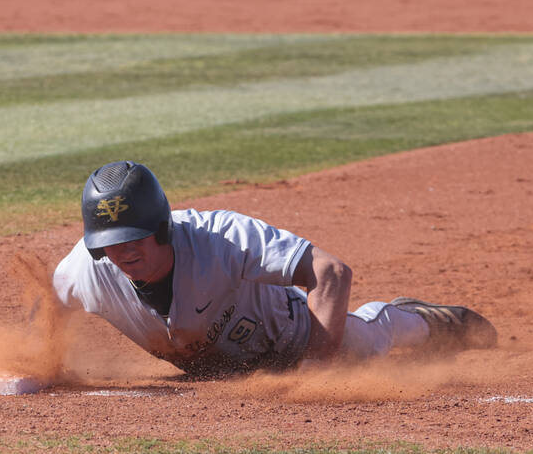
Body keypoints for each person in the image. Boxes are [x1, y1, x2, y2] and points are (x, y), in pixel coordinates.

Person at [52, 161, 497, 378]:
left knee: (365, 341)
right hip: (224, 367)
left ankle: (425, 319)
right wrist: (38, 359)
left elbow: (331, 272)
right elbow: (50, 303)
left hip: (297, 336)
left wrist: (317, 368)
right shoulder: (84, 272)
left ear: (162, 228)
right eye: (109, 244)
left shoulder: (221, 238)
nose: (123, 252)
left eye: (134, 237)